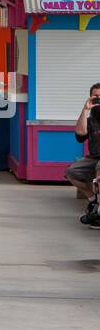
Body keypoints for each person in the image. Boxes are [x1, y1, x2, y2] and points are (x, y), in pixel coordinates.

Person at [64, 84, 100, 226]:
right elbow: (80, 134)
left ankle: (98, 213)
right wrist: (85, 110)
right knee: (71, 172)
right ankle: (92, 200)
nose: (98, 99)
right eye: (95, 96)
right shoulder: (90, 120)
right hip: (94, 158)